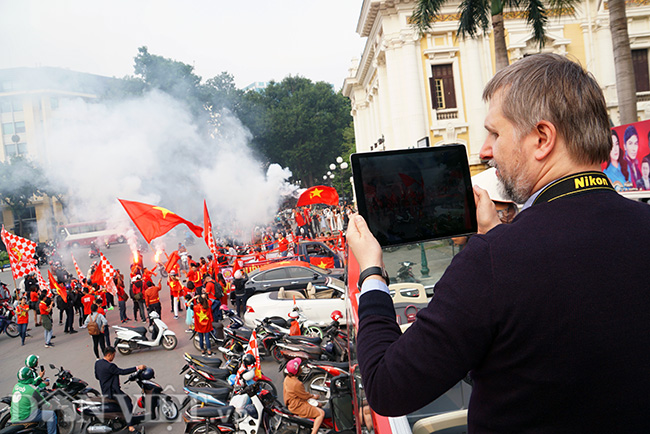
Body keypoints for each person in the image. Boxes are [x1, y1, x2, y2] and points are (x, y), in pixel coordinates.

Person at [346, 53, 650, 432]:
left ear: (542, 139)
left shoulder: (493, 261)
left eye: (494, 133)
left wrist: (372, 273)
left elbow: (387, 385)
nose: (485, 150)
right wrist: (495, 237)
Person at [94, 346, 145, 434]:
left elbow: (97, 376)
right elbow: (122, 371)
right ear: (109, 355)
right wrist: (137, 368)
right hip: (113, 392)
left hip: (105, 390)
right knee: (128, 403)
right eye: (113, 355)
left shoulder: (98, 363)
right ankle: (130, 427)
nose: (114, 357)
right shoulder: (110, 366)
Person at [283, 358, 325, 434]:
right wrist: (314, 396)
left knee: (319, 405)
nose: (301, 368)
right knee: (321, 413)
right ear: (297, 370)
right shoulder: (297, 384)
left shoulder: (287, 379)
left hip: (291, 403)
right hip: (297, 406)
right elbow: (305, 396)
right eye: (300, 367)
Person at [10, 367, 57, 434]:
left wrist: (40, 378)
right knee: (51, 415)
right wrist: (50, 405)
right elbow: (43, 403)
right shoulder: (32, 390)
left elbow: (32, 383)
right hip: (26, 416)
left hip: (15, 416)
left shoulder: (16, 386)